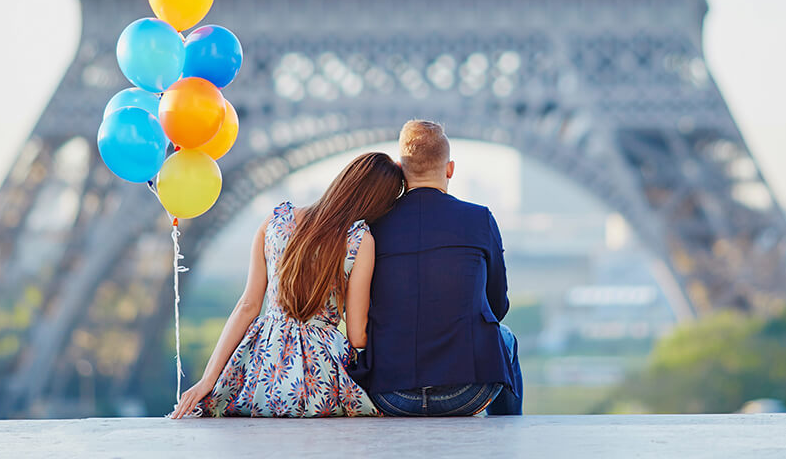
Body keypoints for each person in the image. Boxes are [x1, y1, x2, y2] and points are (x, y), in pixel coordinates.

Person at [169, 151, 403, 418]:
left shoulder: (276, 221)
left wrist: (207, 380)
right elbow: (357, 335)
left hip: (263, 368)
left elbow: (247, 306)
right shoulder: (360, 240)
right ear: (381, 205)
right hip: (320, 376)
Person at [356, 120, 523, 416]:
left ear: (399, 167)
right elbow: (498, 306)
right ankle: (507, 433)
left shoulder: (372, 226)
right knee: (505, 337)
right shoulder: (479, 219)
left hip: (391, 393)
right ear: (450, 169)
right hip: (468, 390)